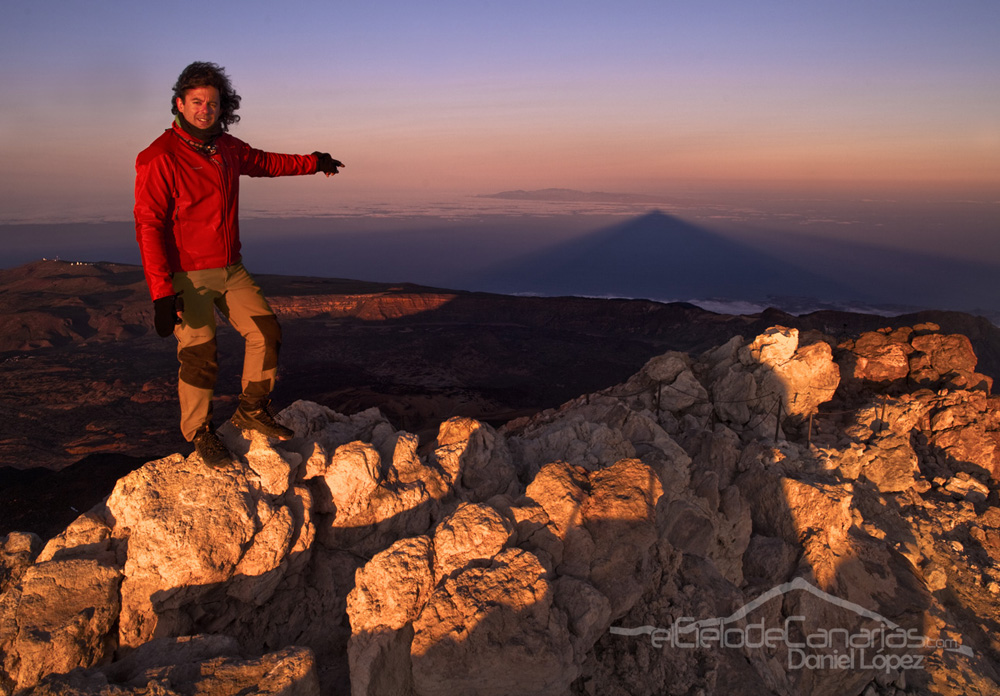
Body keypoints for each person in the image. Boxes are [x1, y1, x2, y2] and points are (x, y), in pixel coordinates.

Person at [134, 61, 344, 468]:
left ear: (221, 107)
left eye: (212, 103)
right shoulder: (158, 157)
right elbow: (148, 226)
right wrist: (162, 292)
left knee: (266, 330)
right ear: (179, 103)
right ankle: (200, 433)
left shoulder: (226, 147)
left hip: (231, 267)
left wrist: (314, 161)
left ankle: (252, 409)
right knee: (200, 353)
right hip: (186, 274)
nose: (204, 110)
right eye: (196, 102)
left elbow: (265, 162)